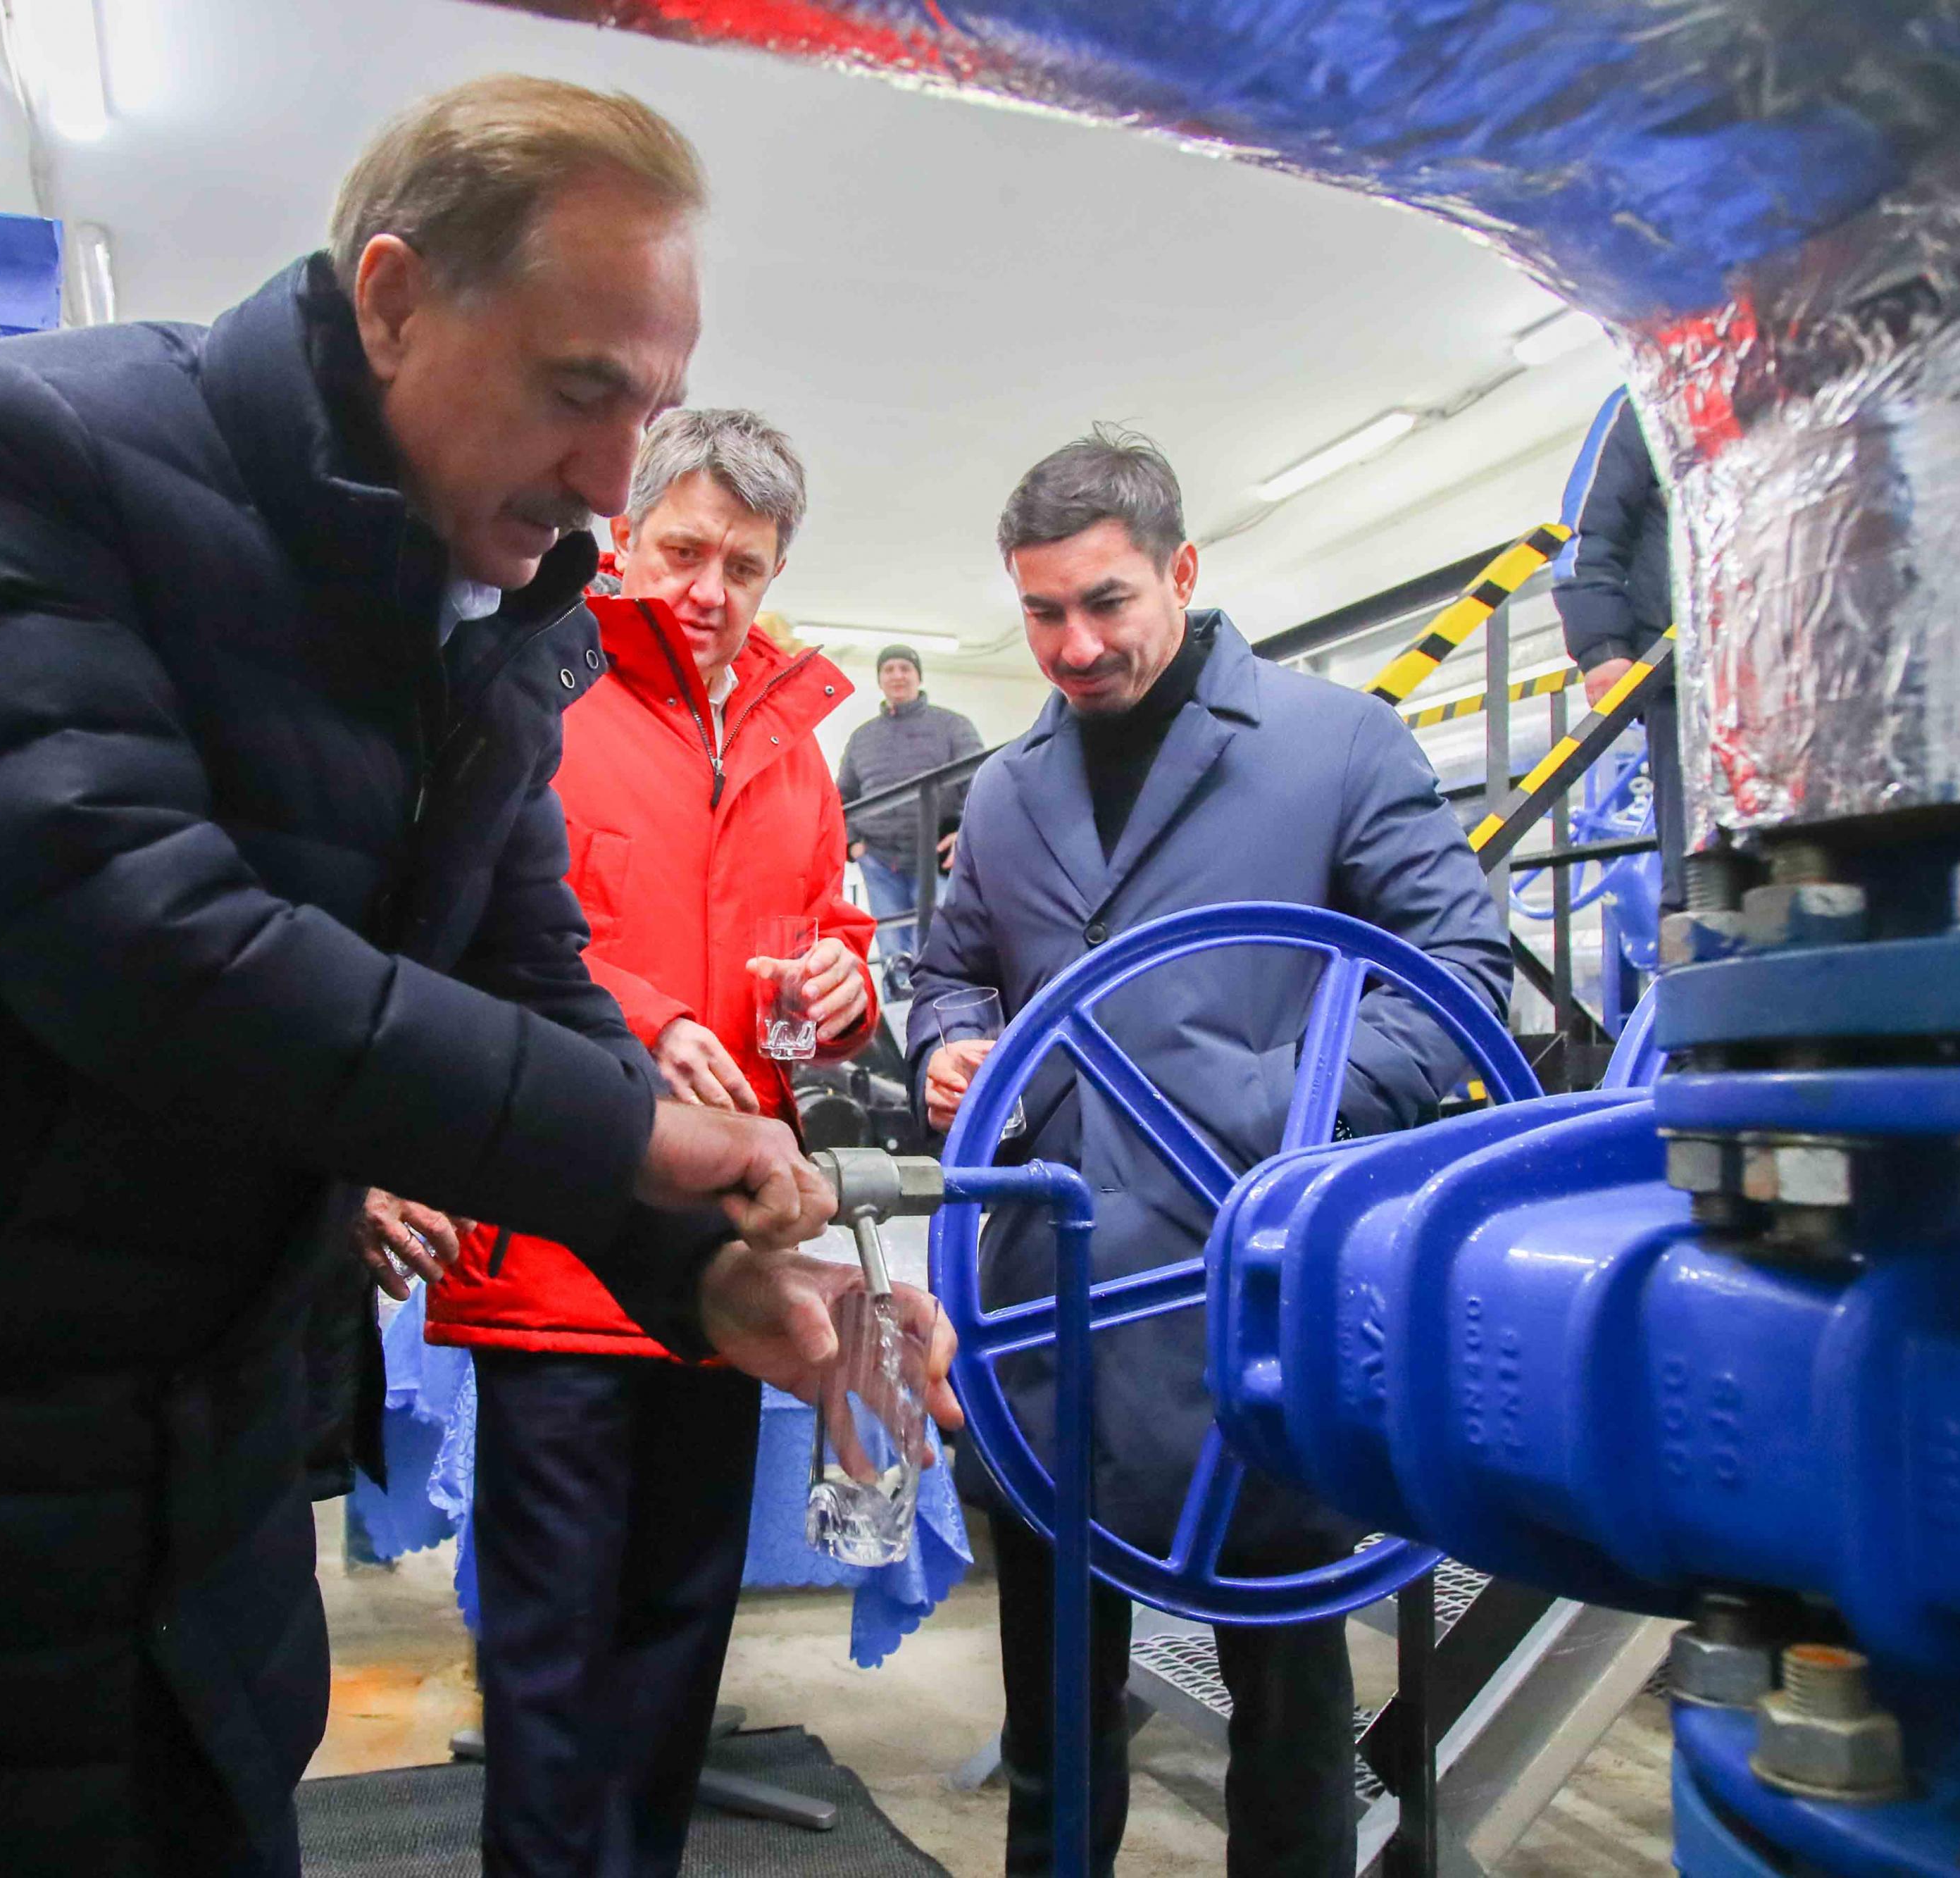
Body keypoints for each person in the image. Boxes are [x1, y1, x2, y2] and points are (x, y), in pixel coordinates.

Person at [0, 76, 959, 1878]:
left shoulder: (492, 624)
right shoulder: (42, 452)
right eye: (577, 389)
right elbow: (146, 942)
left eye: (647, 408)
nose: (615, 482)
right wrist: (646, 1137)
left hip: (188, 1486)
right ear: (393, 299)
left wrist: (706, 1269)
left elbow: (529, 976)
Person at [910, 427, 1509, 1878]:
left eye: (1105, 600)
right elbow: (953, 972)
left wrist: (1280, 1106)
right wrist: (944, 1046)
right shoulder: (1004, 792)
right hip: (1051, 1316)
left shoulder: (1332, 743)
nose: (1073, 645)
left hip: (1262, 1311)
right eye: (1041, 611)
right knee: (1056, 1729)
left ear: (1181, 570)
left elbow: (1461, 970)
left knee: (1290, 1722)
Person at [419, 406, 878, 1877]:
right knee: (551, 1653)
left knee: (682, 1628)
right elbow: (476, 931)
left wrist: (845, 983)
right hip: (556, 1258)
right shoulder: (542, 691)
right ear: (624, 534)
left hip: (729, 1262)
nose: (706, 589)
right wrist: (647, 1016)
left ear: (777, 570)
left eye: (743, 566)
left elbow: (832, 931)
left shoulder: (799, 751)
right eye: (683, 550)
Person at [1555, 388, 1686, 909]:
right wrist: (1603, 646)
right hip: (1683, 676)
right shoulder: (1648, 398)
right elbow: (1589, 532)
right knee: (1700, 861)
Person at [838, 642, 983, 971]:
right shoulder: (862, 738)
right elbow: (843, 795)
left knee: (938, 950)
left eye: (905, 668)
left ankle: (938, 1006)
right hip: (878, 861)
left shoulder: (953, 726)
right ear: (880, 680)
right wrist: (852, 843)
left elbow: (980, 784)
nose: (897, 676)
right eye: (889, 669)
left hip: (936, 858)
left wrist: (965, 833)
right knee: (894, 956)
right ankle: (900, 1005)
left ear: (918, 676)